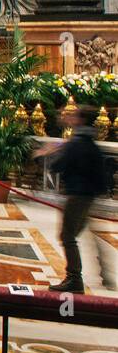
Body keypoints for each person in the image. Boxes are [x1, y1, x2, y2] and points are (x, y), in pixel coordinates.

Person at [39, 104, 112, 292]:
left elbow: (57, 166)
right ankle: (106, 272)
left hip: (77, 195)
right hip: (88, 195)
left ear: (80, 120)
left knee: (67, 235)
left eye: (73, 115)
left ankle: (74, 278)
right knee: (85, 232)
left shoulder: (76, 143)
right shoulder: (90, 143)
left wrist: (46, 154)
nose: (69, 117)